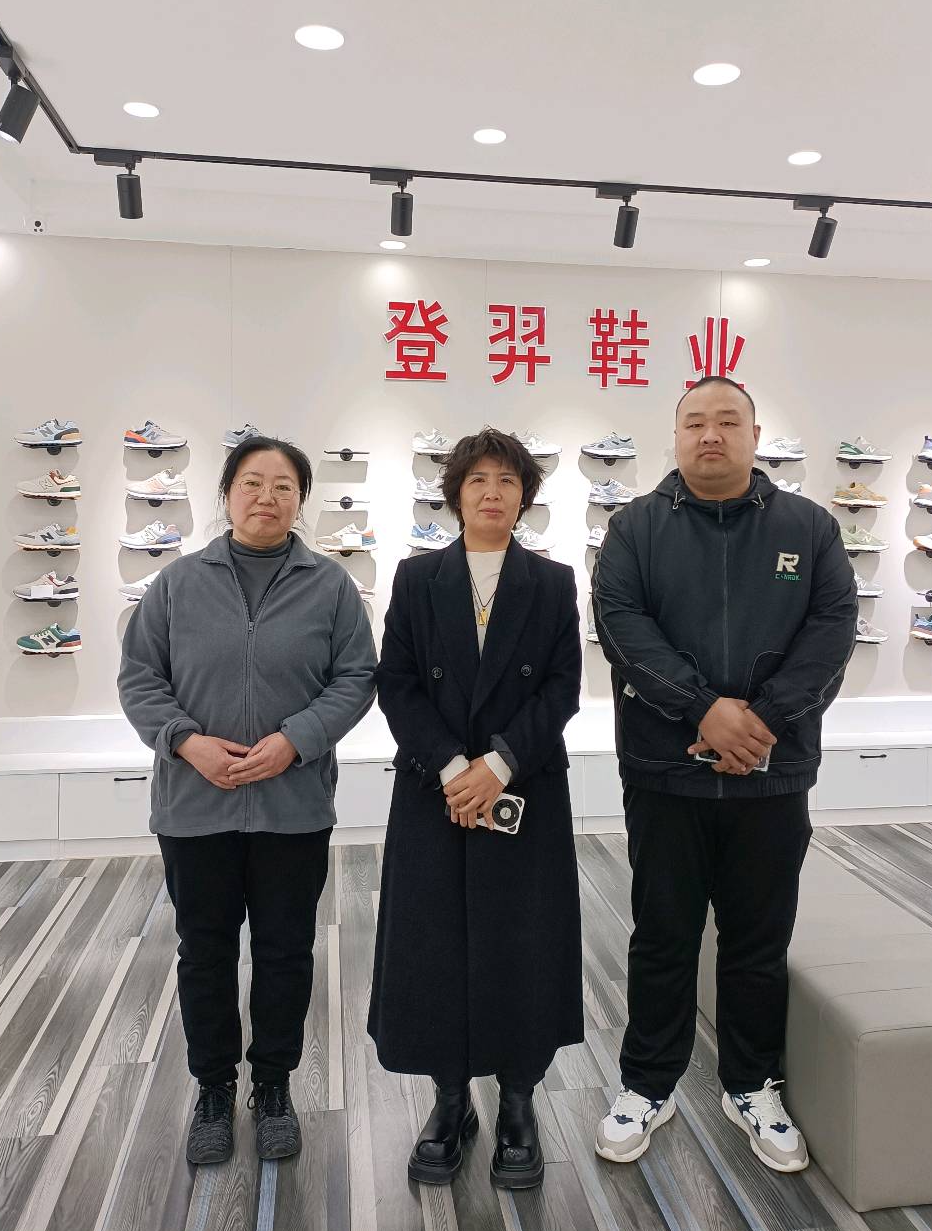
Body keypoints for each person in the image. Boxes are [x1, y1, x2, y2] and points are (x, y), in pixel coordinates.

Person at [591, 376, 857, 1173]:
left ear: (754, 434)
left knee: (758, 941)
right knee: (663, 935)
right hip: (664, 772)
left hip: (773, 777)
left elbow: (833, 629)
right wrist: (704, 710)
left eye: (728, 421)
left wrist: (762, 721)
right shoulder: (634, 527)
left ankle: (751, 1084)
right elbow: (621, 626)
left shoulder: (809, 528)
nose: (712, 434)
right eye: (696, 422)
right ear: (676, 437)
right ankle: (648, 1083)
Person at [118, 436, 376, 1165]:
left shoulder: (330, 587)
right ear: (227, 494)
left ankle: (273, 1087)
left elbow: (357, 677)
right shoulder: (177, 584)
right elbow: (139, 678)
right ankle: (212, 1089)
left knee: (285, 951)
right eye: (253, 483)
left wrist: (297, 739)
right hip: (194, 806)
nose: (267, 497)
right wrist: (185, 742)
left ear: (301, 500)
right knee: (204, 952)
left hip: (292, 807)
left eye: (284, 486)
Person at [369, 427, 583, 1190]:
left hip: (523, 787)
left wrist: (499, 763)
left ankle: (519, 1101)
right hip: (437, 789)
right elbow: (397, 683)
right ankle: (451, 1099)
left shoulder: (552, 583)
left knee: (523, 943)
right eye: (477, 480)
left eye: (507, 480)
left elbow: (562, 687)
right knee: (435, 945)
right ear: (455, 494)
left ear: (525, 497)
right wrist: (455, 766)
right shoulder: (416, 577)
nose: (492, 492)